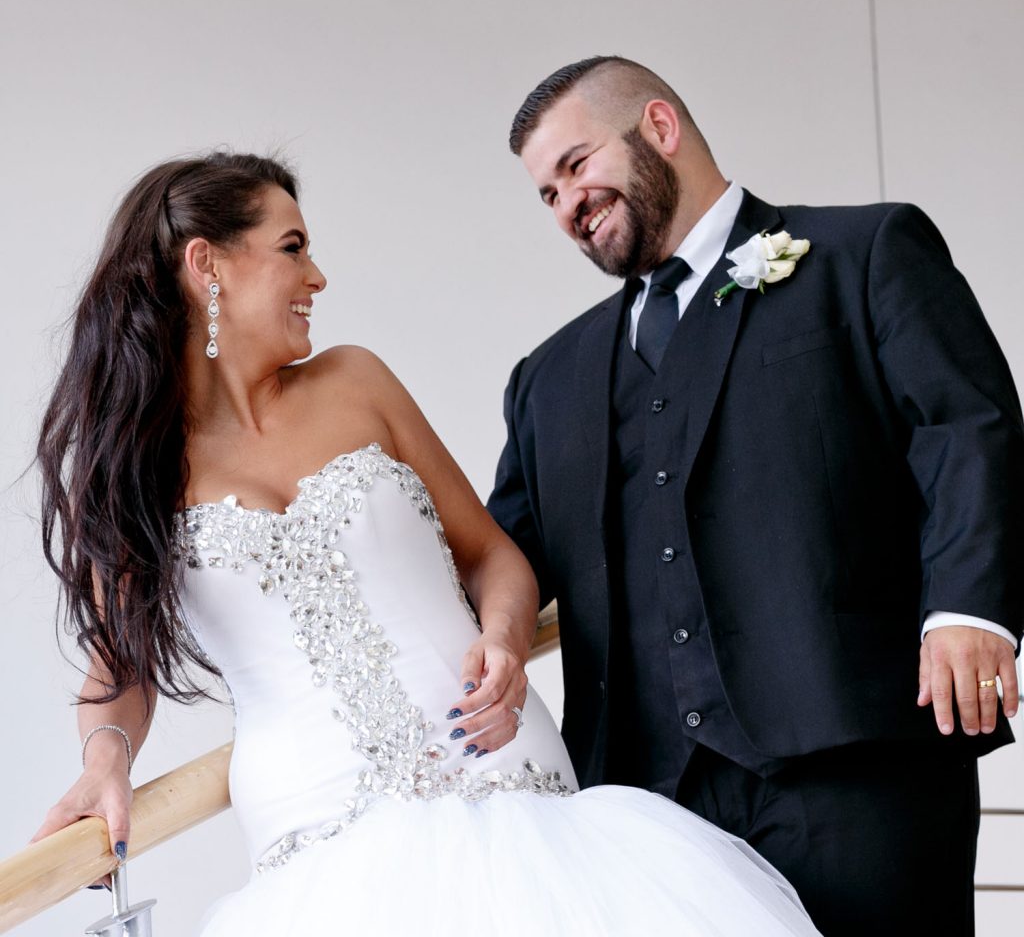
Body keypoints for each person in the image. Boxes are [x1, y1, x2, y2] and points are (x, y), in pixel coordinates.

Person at [33, 153, 821, 935]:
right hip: (316, 836)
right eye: (292, 247)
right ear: (209, 265)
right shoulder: (131, 467)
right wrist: (106, 765)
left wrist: (506, 643)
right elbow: (119, 667)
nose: (318, 277)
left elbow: (490, 555)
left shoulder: (356, 382)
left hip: (502, 776)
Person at [486, 56, 1024, 936]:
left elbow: (967, 427)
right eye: (546, 194)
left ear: (659, 127)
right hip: (646, 802)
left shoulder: (864, 254)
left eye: (576, 165)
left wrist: (969, 607)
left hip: (858, 765)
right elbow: (498, 557)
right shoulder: (548, 379)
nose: (567, 205)